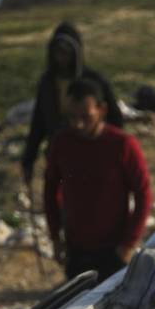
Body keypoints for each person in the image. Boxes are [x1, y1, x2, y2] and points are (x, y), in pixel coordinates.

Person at [43, 78, 152, 281]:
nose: (78, 124)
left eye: (85, 117)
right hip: (76, 248)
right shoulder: (62, 143)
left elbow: (143, 193)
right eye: (72, 117)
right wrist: (55, 237)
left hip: (113, 249)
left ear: (102, 110)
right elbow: (50, 190)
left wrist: (128, 244)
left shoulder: (123, 145)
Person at [21, 22, 123, 193]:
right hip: (59, 151)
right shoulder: (47, 83)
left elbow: (115, 119)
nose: (61, 57)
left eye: (65, 51)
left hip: (92, 150)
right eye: (57, 51)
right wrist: (28, 159)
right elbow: (38, 123)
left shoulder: (95, 82)